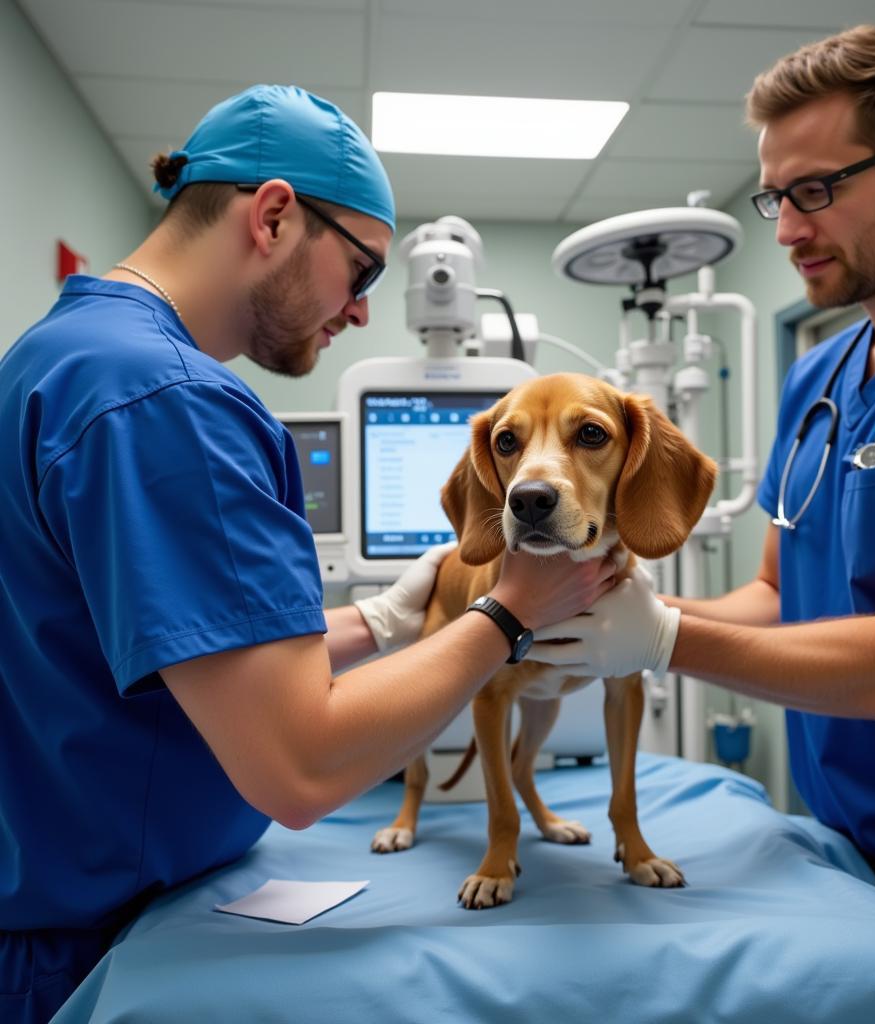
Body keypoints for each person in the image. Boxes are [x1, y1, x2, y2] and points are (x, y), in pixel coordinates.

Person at [0, 84, 616, 1022]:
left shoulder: (68, 355)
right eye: (362, 272)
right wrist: (511, 612)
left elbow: (169, 660)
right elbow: (301, 766)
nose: (361, 313)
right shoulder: (166, 402)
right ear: (276, 215)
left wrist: (379, 620)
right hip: (87, 951)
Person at [531, 26, 875, 976]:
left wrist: (664, 641)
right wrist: (605, 609)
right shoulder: (820, 379)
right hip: (838, 843)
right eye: (776, 198)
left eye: (817, 190)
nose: (789, 228)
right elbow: (773, 593)